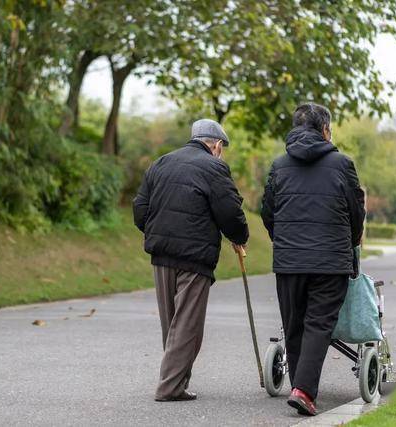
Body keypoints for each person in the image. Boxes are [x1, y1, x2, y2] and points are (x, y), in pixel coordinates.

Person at [133, 118, 249, 402]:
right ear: (217, 145)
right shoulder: (214, 167)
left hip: (161, 255)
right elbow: (229, 211)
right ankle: (170, 387)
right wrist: (239, 235)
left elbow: (140, 209)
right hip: (195, 257)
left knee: (172, 322)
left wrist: (156, 230)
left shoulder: (161, 163)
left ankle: (177, 381)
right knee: (186, 324)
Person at [261, 103, 365, 416]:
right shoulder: (342, 164)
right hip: (330, 260)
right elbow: (356, 211)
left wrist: (281, 239)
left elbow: (268, 211)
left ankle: (299, 386)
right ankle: (303, 390)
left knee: (294, 325)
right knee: (318, 324)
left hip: (289, 260)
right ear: (325, 130)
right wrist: (354, 239)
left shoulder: (279, 166)